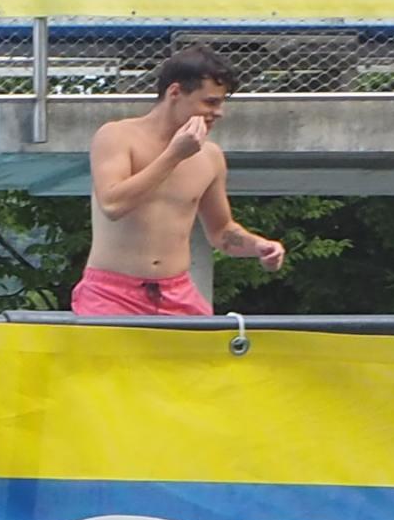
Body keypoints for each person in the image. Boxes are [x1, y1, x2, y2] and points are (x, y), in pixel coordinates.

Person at [78, 46, 283, 317]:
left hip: (177, 293)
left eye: (221, 103)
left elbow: (221, 231)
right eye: (210, 102)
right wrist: (174, 155)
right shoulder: (117, 136)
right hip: (112, 293)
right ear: (175, 92)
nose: (218, 112)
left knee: (212, 343)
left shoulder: (210, 156)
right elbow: (113, 204)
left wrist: (258, 246)